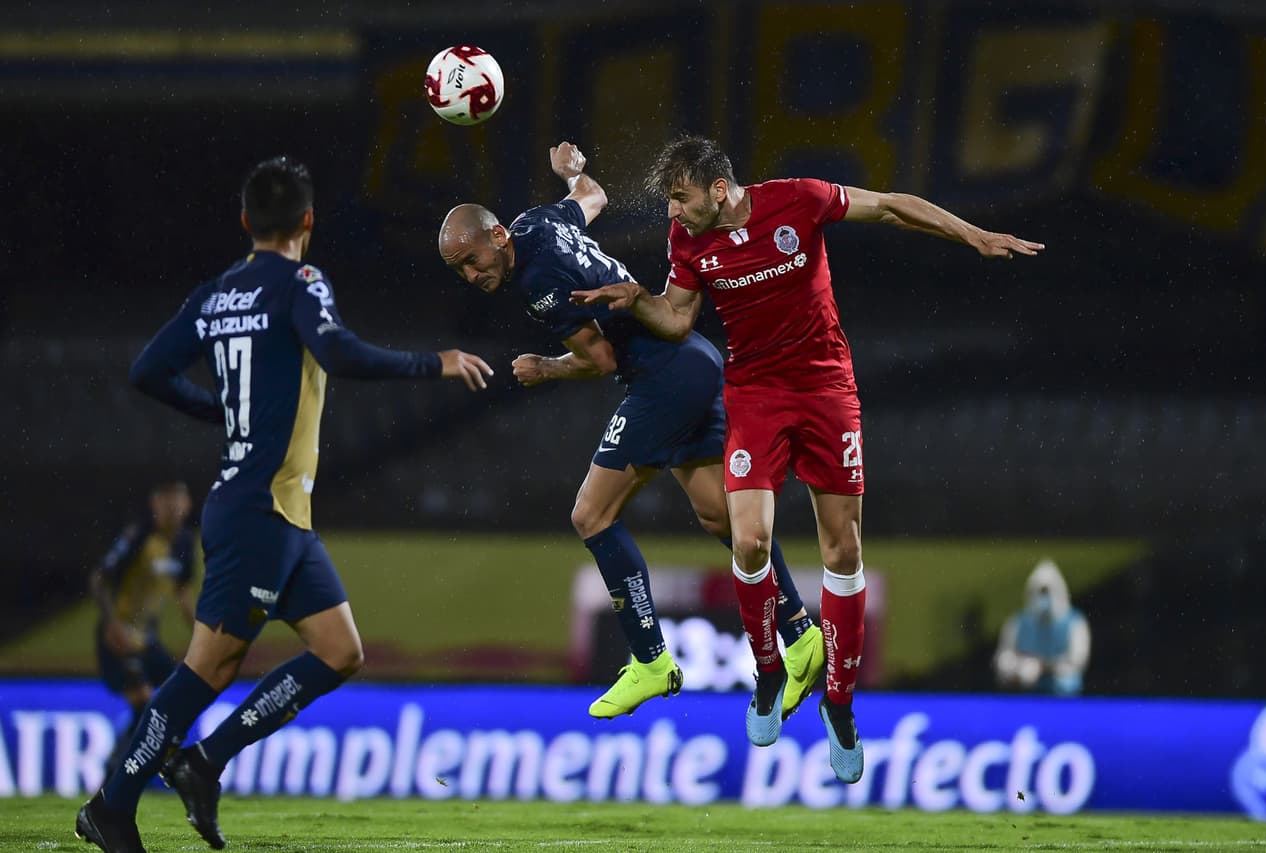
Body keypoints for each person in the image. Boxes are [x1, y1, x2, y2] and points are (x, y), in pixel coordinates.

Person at [573, 135, 1042, 782]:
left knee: (842, 552)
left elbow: (891, 206)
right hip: (755, 394)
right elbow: (678, 318)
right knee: (749, 540)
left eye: (680, 199)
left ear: (716, 189)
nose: (673, 214)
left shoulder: (798, 200)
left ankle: (840, 704)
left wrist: (973, 235)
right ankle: (770, 669)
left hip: (826, 389)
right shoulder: (688, 242)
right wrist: (636, 299)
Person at [75, 156, 492, 853]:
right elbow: (335, 349)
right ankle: (112, 804)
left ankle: (204, 762)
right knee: (207, 669)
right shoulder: (301, 280)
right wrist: (433, 362)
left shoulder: (216, 292)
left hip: (280, 515)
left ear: (245, 222)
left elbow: (148, 369)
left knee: (339, 650)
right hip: (257, 510)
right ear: (307, 221)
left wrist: (216, 411)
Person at [437, 142, 824, 722]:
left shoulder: (537, 284)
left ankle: (649, 659)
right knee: (722, 517)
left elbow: (600, 362)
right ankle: (799, 632)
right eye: (458, 271)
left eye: (471, 260)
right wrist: (574, 172)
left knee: (590, 516)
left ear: (496, 239)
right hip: (694, 361)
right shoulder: (534, 224)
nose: (471, 276)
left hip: (660, 377)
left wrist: (547, 368)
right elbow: (591, 197)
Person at [90, 481, 198, 780]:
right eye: (166, 499)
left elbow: (183, 593)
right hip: (118, 638)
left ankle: (129, 767)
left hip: (147, 642)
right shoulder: (139, 535)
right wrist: (112, 623)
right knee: (144, 700)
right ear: (155, 503)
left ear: (188, 504)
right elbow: (99, 578)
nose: (173, 506)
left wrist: (204, 638)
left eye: (178, 498)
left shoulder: (185, 543)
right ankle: (116, 772)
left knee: (181, 694)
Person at [993, 559, 1090, 695]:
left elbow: (1077, 661)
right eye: (1039, 592)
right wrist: (1017, 667)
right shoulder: (1017, 622)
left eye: (1048, 592)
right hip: (1025, 687)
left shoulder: (1075, 622)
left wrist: (1043, 667)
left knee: (1066, 683)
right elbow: (1003, 656)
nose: (1045, 598)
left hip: (1061, 688)